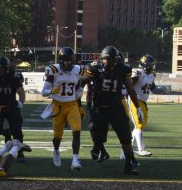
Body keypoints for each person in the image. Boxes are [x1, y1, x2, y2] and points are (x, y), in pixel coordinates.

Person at [81, 46, 144, 175]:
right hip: (100, 107)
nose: (107, 62)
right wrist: (76, 98)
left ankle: (129, 164)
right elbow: (82, 82)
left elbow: (130, 89)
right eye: (105, 59)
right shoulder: (94, 68)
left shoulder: (123, 69)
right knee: (93, 128)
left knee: (125, 136)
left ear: (116, 60)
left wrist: (137, 107)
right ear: (101, 58)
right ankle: (99, 149)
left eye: (110, 59)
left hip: (116, 106)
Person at [41, 47, 84, 170]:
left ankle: (75, 160)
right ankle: (56, 151)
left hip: (72, 105)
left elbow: (80, 85)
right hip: (58, 106)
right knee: (57, 136)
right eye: (65, 61)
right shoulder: (53, 70)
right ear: (60, 61)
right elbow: (43, 92)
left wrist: (78, 96)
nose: (67, 64)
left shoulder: (78, 70)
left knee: (76, 131)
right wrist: (51, 91)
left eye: (69, 61)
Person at [128, 54, 156, 156]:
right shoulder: (137, 73)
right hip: (135, 100)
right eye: (150, 65)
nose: (152, 67)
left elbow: (152, 87)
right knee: (138, 124)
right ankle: (141, 149)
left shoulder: (152, 75)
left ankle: (127, 148)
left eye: (152, 65)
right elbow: (129, 85)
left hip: (143, 102)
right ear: (144, 64)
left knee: (140, 126)